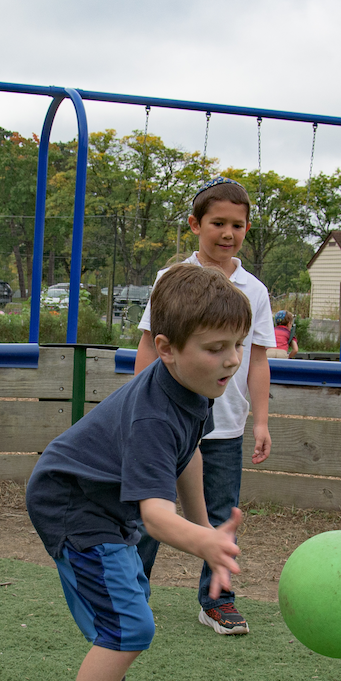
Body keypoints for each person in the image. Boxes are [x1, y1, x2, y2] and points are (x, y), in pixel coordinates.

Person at [24, 263, 248, 681]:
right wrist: (199, 542)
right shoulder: (154, 412)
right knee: (129, 624)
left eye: (238, 346)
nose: (232, 361)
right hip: (74, 503)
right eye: (216, 347)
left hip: (104, 500)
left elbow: (188, 455)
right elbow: (154, 516)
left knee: (124, 608)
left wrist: (206, 525)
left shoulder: (197, 386)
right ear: (167, 348)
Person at [132, 177, 276, 635]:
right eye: (217, 222)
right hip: (167, 423)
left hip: (225, 429)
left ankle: (217, 600)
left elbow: (256, 361)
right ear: (196, 224)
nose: (227, 233)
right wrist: (138, 407)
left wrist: (261, 421)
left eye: (238, 224)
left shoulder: (254, 290)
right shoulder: (169, 281)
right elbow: (148, 348)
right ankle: (132, 593)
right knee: (149, 513)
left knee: (220, 515)